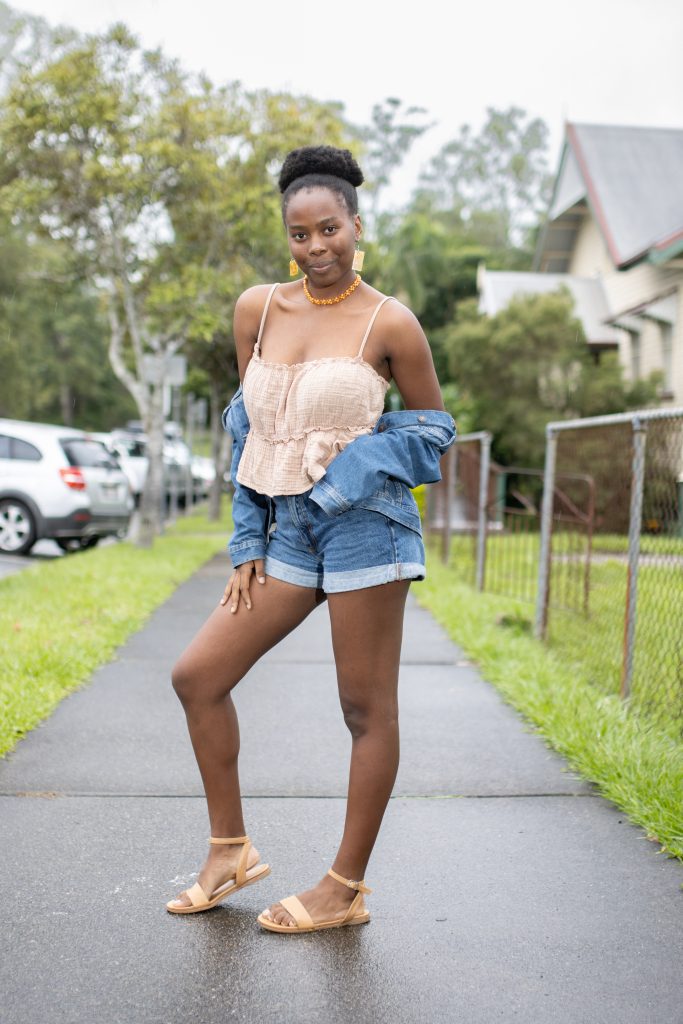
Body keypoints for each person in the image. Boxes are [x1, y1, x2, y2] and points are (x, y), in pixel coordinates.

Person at [166, 145, 456, 933]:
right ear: (286, 237)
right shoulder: (256, 310)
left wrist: (347, 470)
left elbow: (432, 433)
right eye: (299, 235)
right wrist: (246, 539)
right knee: (197, 676)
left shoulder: (389, 320)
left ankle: (344, 887)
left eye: (329, 229)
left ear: (355, 225)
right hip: (285, 534)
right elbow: (247, 429)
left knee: (364, 709)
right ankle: (229, 850)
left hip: (365, 530)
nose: (316, 247)